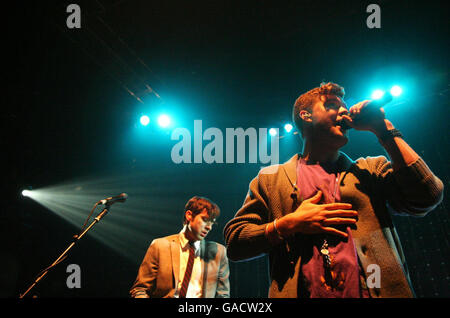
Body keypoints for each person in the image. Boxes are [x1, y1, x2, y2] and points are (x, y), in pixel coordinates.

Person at [223, 82, 443, 298]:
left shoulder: (370, 169)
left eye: (344, 107)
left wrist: (383, 128)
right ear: (306, 116)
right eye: (331, 105)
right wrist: (288, 224)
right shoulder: (270, 178)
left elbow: (428, 195)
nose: (343, 111)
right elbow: (235, 243)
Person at [130, 196, 230, 298]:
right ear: (189, 215)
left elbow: (223, 295)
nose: (209, 227)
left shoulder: (219, 252)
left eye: (212, 222)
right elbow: (139, 290)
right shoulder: (160, 246)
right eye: (205, 220)